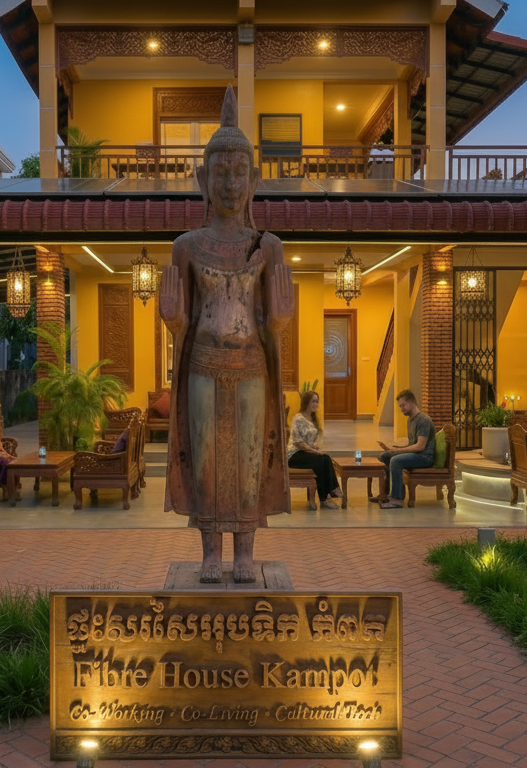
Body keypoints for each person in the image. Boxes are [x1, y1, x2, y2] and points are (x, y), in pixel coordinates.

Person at [158, 84, 296, 584]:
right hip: (202, 364)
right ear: (203, 179)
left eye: (240, 172)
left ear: (254, 180)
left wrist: (279, 323)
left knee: (249, 458)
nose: (231, 184)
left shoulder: (268, 246)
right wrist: (175, 324)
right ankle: (210, 552)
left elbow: (270, 318)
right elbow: (185, 317)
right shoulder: (187, 246)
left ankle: (245, 552)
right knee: (206, 459)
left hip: (251, 365)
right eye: (221, 172)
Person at [374, 390, 435, 509]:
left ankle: (396, 499)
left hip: (424, 457)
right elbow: (411, 445)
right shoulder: (410, 420)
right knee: (385, 456)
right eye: (400, 406)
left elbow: (420, 446)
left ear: (412, 402)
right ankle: (385, 494)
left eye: (403, 405)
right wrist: (391, 449)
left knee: (396, 460)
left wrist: (396, 451)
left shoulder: (424, 420)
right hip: (416, 455)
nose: (401, 408)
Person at [287, 390, 342, 510]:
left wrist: (313, 447)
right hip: (294, 455)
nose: (315, 404)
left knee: (324, 459)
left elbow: (308, 441)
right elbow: (298, 442)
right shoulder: (298, 418)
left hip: (306, 453)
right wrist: (314, 451)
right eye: (313, 401)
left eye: (317, 402)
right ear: (306, 402)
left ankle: (327, 496)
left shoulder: (312, 419)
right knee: (322, 459)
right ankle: (329, 494)